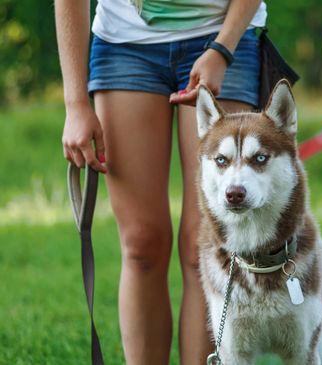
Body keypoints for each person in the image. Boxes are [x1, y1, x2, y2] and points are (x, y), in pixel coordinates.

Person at [55, 0, 267, 364]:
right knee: (141, 244)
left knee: (206, 247)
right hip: (124, 46)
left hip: (225, 40)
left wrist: (222, 48)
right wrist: (75, 103)